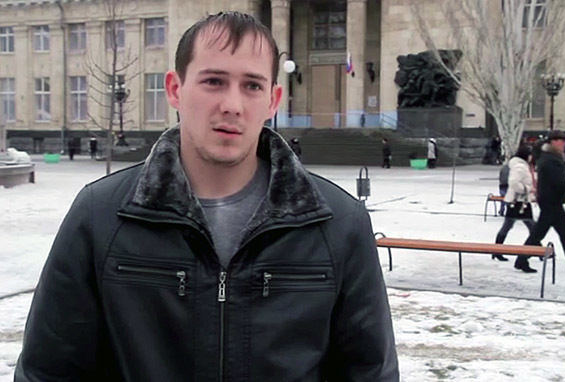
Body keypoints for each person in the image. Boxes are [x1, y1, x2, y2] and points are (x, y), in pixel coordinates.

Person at [15, 12, 399, 381]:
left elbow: (370, 372)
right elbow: (48, 370)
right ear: (175, 89)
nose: (232, 104)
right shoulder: (101, 216)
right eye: (214, 81)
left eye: (252, 85)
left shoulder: (336, 224)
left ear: (273, 100)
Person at [517, 129, 565, 274]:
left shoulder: (552, 157)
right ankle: (522, 259)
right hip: (550, 202)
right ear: (554, 142)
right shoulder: (550, 159)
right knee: (542, 234)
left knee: (563, 233)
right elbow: (560, 182)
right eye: (562, 140)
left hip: (552, 201)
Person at [493, 145, 536, 261]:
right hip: (519, 202)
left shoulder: (520, 165)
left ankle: (496, 250)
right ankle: (539, 251)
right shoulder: (520, 167)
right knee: (533, 227)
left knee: (510, 226)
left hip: (519, 201)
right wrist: (527, 189)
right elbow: (514, 183)